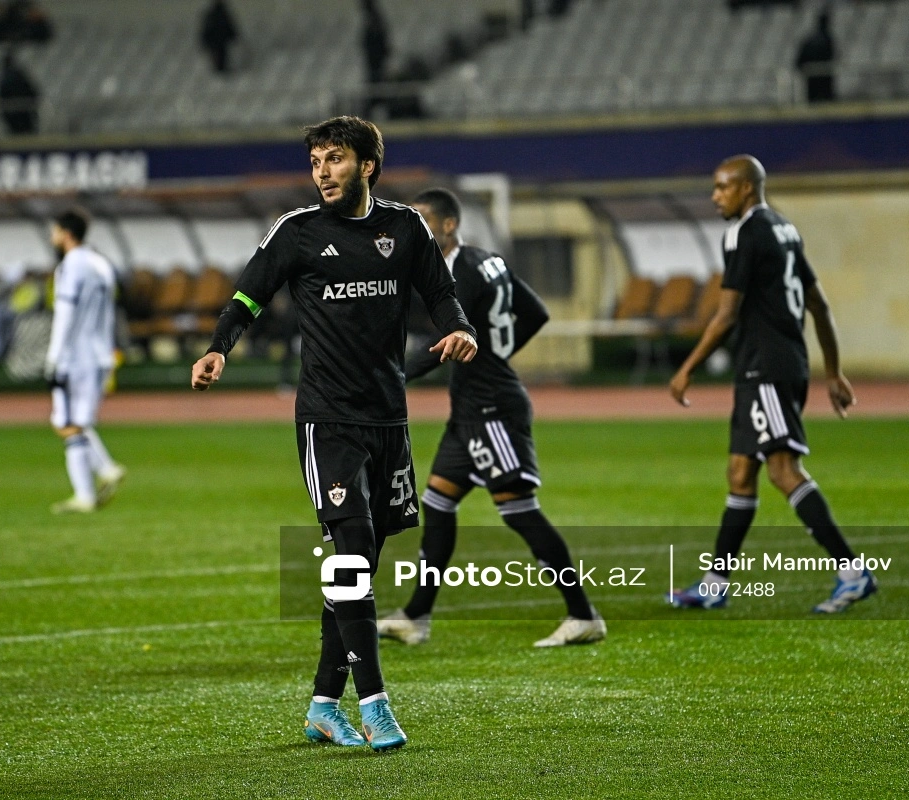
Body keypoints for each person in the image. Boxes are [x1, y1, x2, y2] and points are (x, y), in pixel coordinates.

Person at [191, 116, 477, 751]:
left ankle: (324, 703)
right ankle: (375, 705)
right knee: (349, 552)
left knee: (359, 567)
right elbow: (247, 295)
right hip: (327, 419)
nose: (322, 171)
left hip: (388, 418)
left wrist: (463, 330)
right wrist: (219, 349)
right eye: (316, 160)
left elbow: (442, 294)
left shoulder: (404, 228)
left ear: (367, 166)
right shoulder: (297, 233)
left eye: (335, 159)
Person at [376, 189, 606, 648]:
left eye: (423, 220)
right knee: (439, 505)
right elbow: (535, 312)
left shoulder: (458, 274)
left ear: (448, 226)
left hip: (491, 409)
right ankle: (417, 615)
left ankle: (584, 615)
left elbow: (442, 345)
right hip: (470, 406)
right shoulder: (488, 261)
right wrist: (495, 352)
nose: (414, 228)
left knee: (520, 510)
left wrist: (391, 378)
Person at [668, 155, 875, 614]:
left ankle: (853, 572)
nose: (714, 196)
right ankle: (715, 583)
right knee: (740, 473)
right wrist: (832, 370)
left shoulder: (743, 233)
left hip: (766, 368)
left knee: (783, 470)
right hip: (774, 366)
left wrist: (688, 367)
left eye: (722, 187)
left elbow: (727, 314)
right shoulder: (786, 229)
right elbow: (818, 305)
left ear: (746, 188)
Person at [45, 208, 126, 514]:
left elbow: (65, 314)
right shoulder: (101, 263)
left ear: (65, 234)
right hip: (100, 354)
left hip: (74, 355)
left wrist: (53, 357)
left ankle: (104, 469)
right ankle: (86, 495)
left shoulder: (71, 265)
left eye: (54, 232)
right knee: (78, 421)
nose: (52, 238)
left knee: (64, 421)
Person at [796, 12, 836, 103]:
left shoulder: (810, 39)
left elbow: (799, 60)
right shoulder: (827, 39)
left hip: (812, 81)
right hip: (823, 81)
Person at [0, 49, 39, 134]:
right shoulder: (19, 74)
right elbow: (33, 91)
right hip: (25, 112)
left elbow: (1, 97)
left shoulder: (5, 78)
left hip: (15, 114)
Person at [200, 0, 238, 74]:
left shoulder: (211, 15)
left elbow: (206, 30)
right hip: (220, 42)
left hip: (217, 42)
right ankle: (220, 69)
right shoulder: (223, 15)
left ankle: (220, 69)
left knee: (220, 55)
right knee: (221, 55)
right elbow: (229, 27)